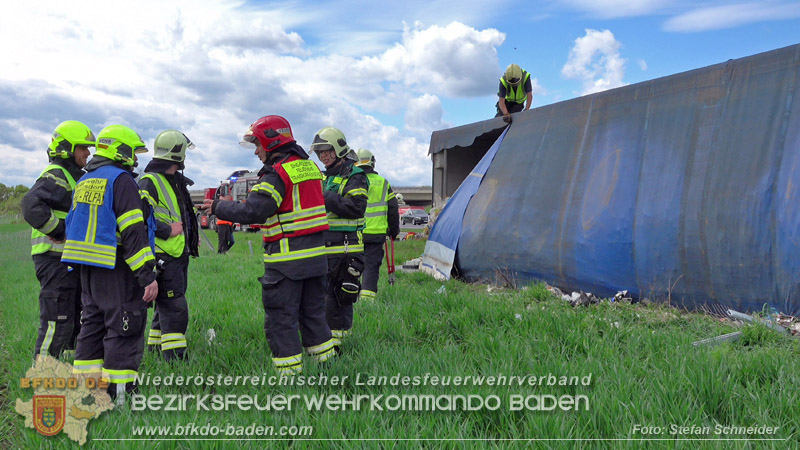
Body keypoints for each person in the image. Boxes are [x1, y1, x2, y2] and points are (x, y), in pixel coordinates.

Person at [205, 116, 335, 375]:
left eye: (257, 144)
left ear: (271, 141)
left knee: (282, 319)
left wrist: (218, 207)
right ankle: (327, 369)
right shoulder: (309, 168)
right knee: (314, 315)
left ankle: (288, 377)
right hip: (317, 260)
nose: (256, 151)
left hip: (286, 263)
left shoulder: (277, 172)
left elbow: (256, 211)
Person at [62, 124, 158, 401]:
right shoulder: (121, 180)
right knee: (124, 326)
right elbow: (132, 231)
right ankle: (120, 396)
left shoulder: (85, 180)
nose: (137, 159)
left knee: (91, 327)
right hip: (115, 268)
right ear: (121, 151)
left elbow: (72, 223)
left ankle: (86, 393)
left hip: (87, 270)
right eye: (134, 153)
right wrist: (147, 276)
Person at [22, 120, 95, 360]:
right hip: (54, 260)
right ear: (66, 149)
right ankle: (42, 377)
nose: (88, 152)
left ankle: (65, 369)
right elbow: (30, 205)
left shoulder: (70, 176)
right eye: (83, 147)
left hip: (65, 260)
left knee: (71, 320)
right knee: (57, 321)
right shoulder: (58, 175)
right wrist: (60, 231)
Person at [139, 130, 199, 361]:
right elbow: (140, 217)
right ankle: (175, 359)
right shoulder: (151, 181)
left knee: (165, 304)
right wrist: (166, 230)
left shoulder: (173, 181)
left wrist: (191, 238)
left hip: (177, 253)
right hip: (165, 255)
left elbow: (183, 215)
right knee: (175, 307)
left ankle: (155, 348)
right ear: (179, 153)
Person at [310, 127, 368, 349]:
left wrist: (325, 196)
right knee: (325, 301)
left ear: (338, 149)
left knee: (341, 299)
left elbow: (356, 207)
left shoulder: (355, 175)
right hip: (326, 248)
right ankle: (328, 343)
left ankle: (341, 348)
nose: (323, 156)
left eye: (327, 150)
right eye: (320, 152)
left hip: (346, 250)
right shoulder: (326, 177)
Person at [354, 149, 399, 301]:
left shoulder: (352, 181)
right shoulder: (383, 183)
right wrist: (394, 231)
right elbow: (393, 209)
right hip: (376, 234)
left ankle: (352, 298)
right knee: (371, 267)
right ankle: (367, 302)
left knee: (353, 266)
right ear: (372, 162)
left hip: (355, 233)